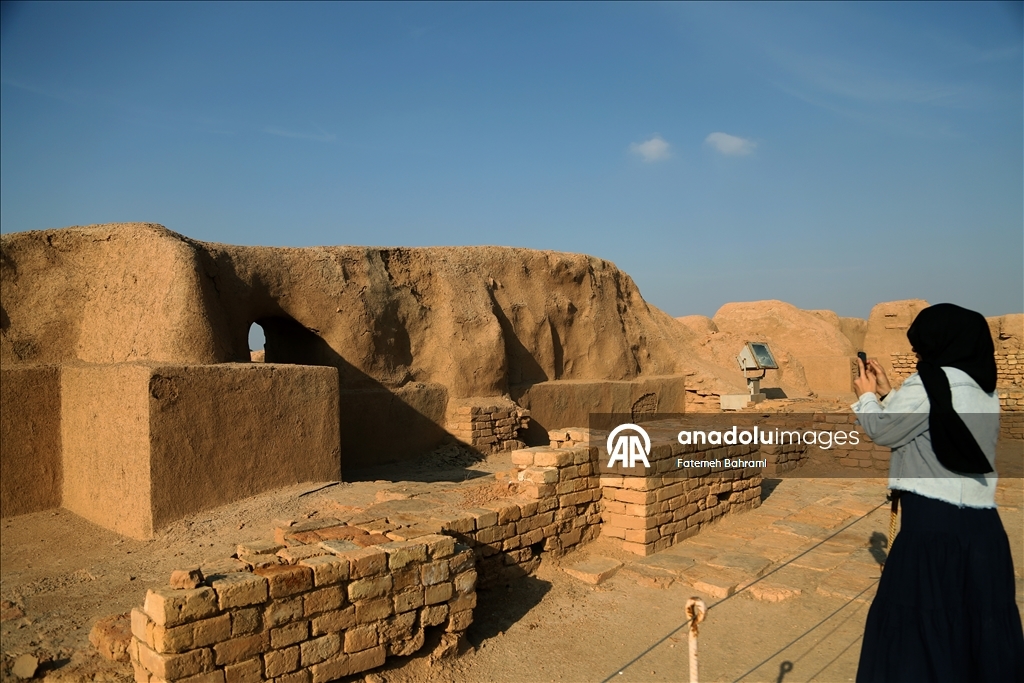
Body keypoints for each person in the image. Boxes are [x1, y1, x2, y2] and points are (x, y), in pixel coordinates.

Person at [852, 303, 1024, 683]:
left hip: (932, 528)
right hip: (983, 530)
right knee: (975, 632)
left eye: (920, 348)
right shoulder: (984, 388)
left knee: (919, 634)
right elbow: (932, 423)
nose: (919, 355)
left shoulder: (927, 383)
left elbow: (884, 430)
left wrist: (866, 395)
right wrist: (888, 391)